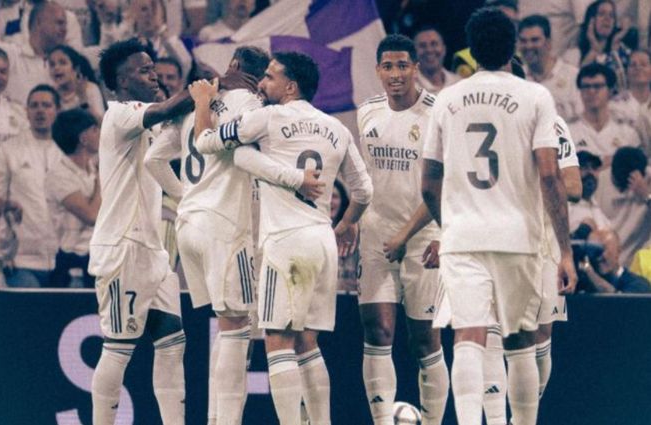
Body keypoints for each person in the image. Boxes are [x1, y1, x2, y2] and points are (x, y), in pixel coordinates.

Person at [190, 51, 373, 425]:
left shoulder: (267, 118)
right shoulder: (336, 128)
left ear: (291, 87)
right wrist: (346, 224)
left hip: (285, 243)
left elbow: (207, 142)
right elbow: (364, 190)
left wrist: (202, 103)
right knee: (308, 344)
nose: (262, 82)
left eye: (271, 77)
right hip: (322, 240)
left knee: (278, 342)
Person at [420, 8, 576, 425]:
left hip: (463, 237)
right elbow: (550, 176)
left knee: (468, 336)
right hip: (518, 237)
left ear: (471, 49)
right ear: (513, 47)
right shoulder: (535, 96)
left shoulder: (447, 99)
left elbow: (428, 182)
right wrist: (564, 251)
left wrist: (450, 223)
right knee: (520, 339)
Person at [144, 45, 273, 425]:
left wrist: (187, 196)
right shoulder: (251, 105)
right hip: (226, 226)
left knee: (226, 325)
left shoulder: (193, 104)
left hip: (190, 224)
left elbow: (153, 159)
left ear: (232, 65)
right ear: (259, 77)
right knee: (238, 327)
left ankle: (217, 417)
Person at [88, 38, 194, 425]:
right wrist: (210, 86)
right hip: (122, 247)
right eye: (144, 70)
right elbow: (169, 107)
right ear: (121, 80)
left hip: (153, 250)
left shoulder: (151, 120)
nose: (154, 75)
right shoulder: (120, 114)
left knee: (172, 342)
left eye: (154, 68)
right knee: (118, 348)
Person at [356, 34, 447, 425]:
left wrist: (432, 236)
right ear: (378, 70)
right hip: (377, 235)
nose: (395, 74)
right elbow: (364, 178)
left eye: (403, 66)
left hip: (423, 236)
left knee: (424, 339)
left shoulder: (437, 114)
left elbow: (442, 186)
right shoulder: (367, 112)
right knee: (377, 331)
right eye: (388, 67)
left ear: (416, 68)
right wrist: (352, 221)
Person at [0, 84, 63, 287]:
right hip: (21, 260)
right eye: (34, 105)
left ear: (57, 110)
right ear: (26, 111)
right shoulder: (7, 151)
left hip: (66, 259)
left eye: (46, 105)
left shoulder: (69, 150)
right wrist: (2, 254)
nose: (40, 111)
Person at [48, 108, 101, 287]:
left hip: (98, 261)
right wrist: (102, 180)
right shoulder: (59, 175)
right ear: (83, 138)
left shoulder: (93, 170)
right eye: (95, 130)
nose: (100, 134)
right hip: (71, 265)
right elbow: (91, 216)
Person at [0, 1, 69, 104]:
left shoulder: (67, 67)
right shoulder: (12, 55)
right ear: (39, 22)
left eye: (65, 24)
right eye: (59, 23)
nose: (64, 30)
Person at [569, 62, 640, 166]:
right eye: (586, 87)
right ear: (580, 91)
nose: (591, 91)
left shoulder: (627, 132)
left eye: (597, 86)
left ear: (610, 91)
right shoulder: (568, 132)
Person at [518, 14, 583, 122]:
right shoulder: (516, 77)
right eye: (523, 41)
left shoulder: (573, 76)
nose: (528, 46)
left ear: (548, 43)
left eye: (535, 40)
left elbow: (582, 120)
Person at [593, 146, 651, 266]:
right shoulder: (599, 181)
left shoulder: (647, 181)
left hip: (635, 263)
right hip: (602, 257)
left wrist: (646, 195)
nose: (621, 189)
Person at [563, 0, 632, 92]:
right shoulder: (573, 54)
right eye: (601, 14)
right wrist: (594, 51)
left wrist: (615, 47)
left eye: (611, 15)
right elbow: (573, 87)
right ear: (591, 20)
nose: (607, 19)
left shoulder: (624, 52)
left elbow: (625, 87)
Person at [580, 228, 651, 293]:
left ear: (618, 251)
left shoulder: (639, 285)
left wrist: (590, 272)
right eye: (592, 250)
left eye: (602, 249)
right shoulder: (584, 285)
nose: (598, 257)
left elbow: (619, 301)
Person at [47, 44, 105, 122]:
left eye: (63, 63)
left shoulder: (90, 88)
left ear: (76, 69)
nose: (56, 68)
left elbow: (101, 123)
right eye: (52, 65)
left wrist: (83, 99)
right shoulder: (51, 93)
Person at [611, 49, 651, 156]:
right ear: (627, 72)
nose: (638, 68)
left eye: (643, 64)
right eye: (633, 65)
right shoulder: (614, 106)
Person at [413, 26, 461, 95]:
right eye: (423, 46)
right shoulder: (408, 88)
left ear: (444, 49)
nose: (429, 50)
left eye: (434, 44)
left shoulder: (458, 82)